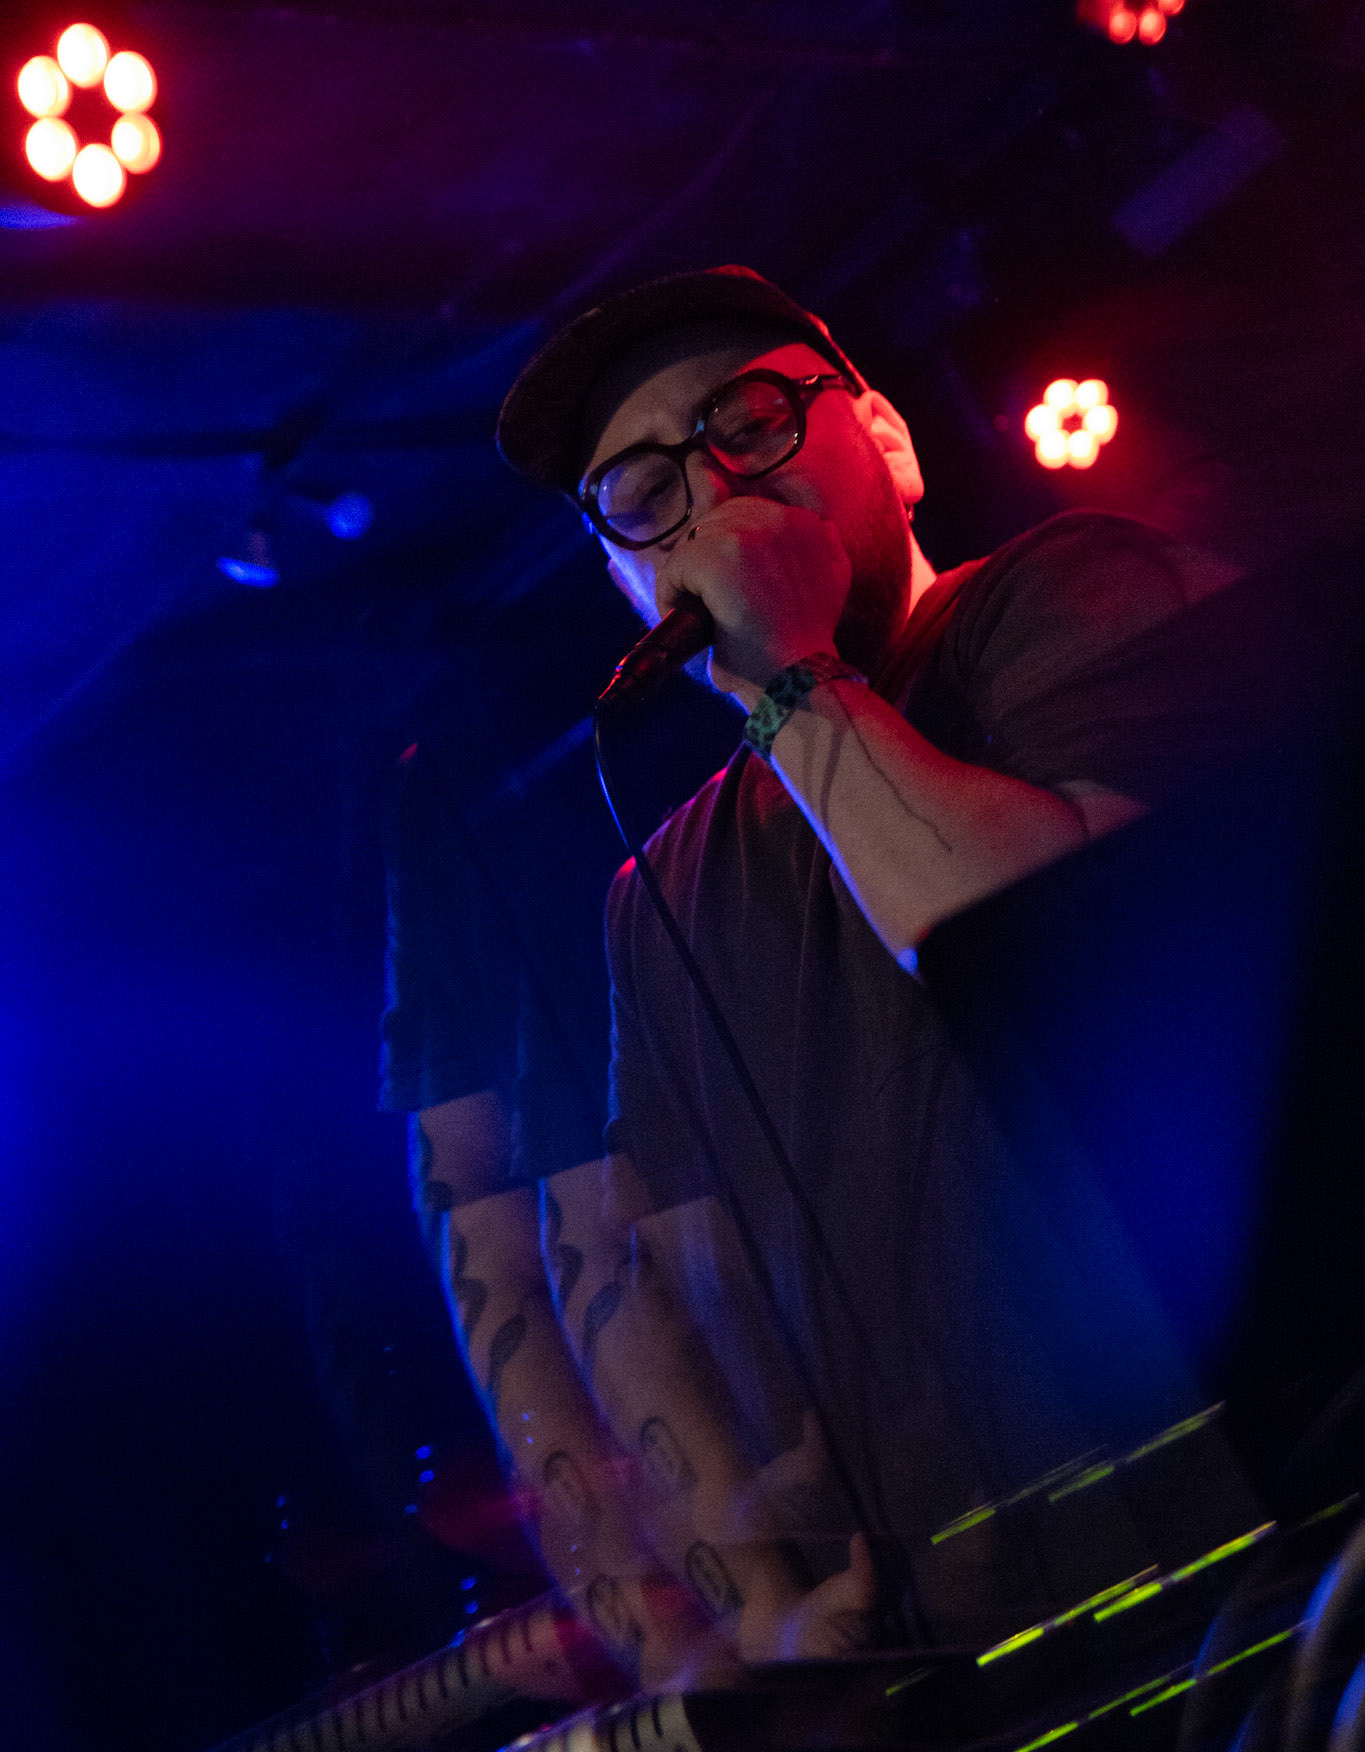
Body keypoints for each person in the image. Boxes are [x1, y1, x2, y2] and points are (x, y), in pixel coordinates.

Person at [491, 265, 1263, 1651]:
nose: (712, 491)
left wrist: (790, 673)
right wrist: (758, 1592)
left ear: (892, 443)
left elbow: (1047, 948)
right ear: (623, 576)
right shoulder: (657, 893)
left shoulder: (1067, 593)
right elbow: (680, 1262)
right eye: (645, 490)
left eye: (750, 422)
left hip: (1264, 1510)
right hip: (982, 1629)